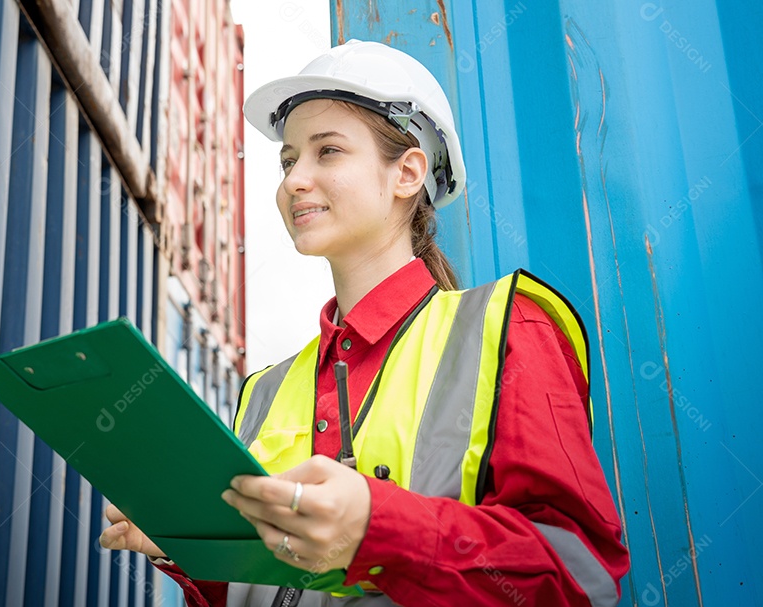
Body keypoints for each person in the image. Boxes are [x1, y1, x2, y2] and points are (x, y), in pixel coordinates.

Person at [100, 39, 629, 606]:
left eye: (327, 151)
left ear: (407, 173)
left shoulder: (507, 327)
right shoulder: (264, 392)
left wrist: (377, 530)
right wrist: (191, 548)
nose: (293, 180)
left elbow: (576, 576)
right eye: (288, 159)